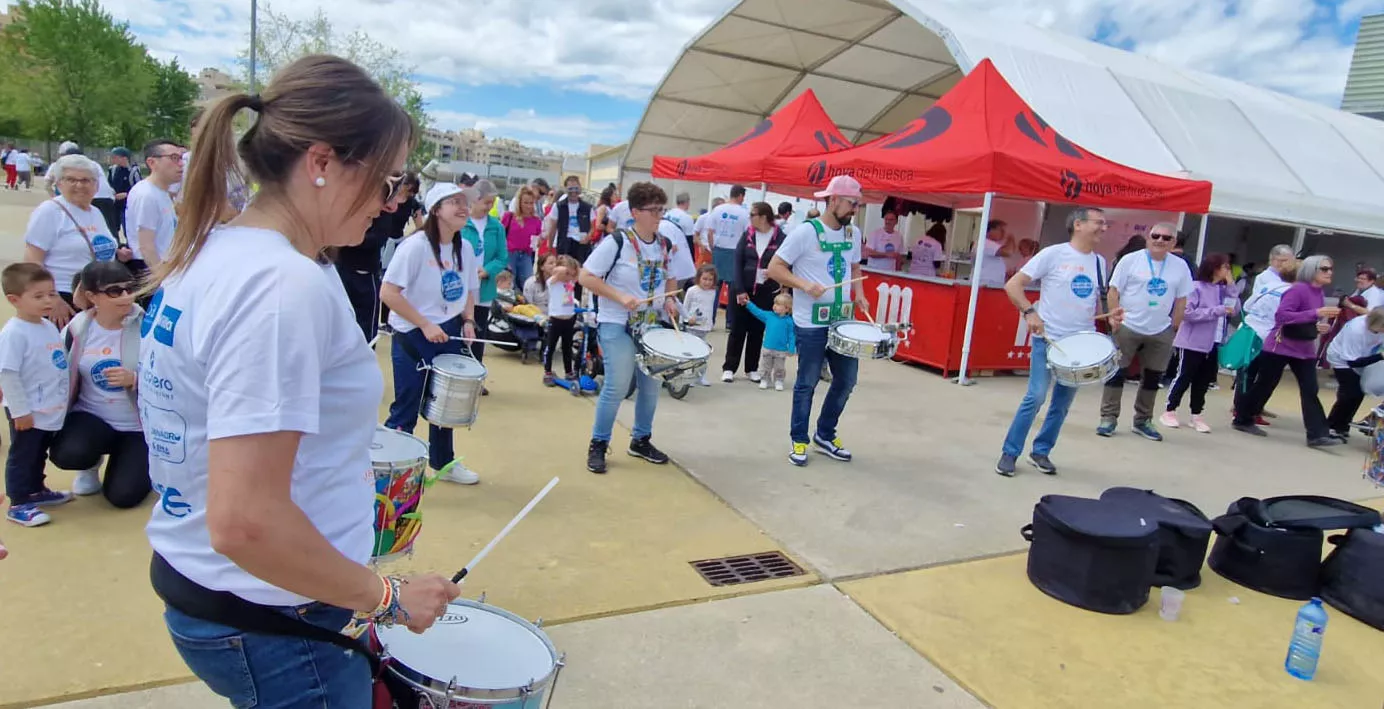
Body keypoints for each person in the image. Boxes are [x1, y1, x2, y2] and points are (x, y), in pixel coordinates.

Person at [137, 56, 458, 706]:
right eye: (387, 179)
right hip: (273, 618)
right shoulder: (280, 286)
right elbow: (245, 520)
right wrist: (388, 597)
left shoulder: (215, 250)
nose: (391, 203)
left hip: (227, 595)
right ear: (321, 161)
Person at [995, 207, 1122, 477]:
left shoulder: (1100, 262)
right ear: (1078, 224)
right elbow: (1013, 285)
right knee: (1036, 395)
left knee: (1061, 404)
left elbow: (1088, 305)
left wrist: (1109, 317)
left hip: (1080, 345)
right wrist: (1030, 311)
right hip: (1049, 338)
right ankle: (1010, 452)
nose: (1103, 228)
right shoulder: (1053, 254)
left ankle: (1041, 451)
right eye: (1099, 223)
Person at [578, 181, 694, 474]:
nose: (659, 215)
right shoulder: (617, 241)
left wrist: (669, 299)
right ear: (635, 212)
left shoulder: (665, 244)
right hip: (616, 321)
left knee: (651, 387)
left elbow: (671, 277)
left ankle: (641, 439)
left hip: (651, 323)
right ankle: (599, 444)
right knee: (617, 385)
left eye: (661, 209)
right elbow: (586, 276)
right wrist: (620, 297)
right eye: (653, 210)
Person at [765, 175, 869, 467]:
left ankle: (825, 433)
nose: (854, 210)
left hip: (842, 321)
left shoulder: (852, 233)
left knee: (847, 380)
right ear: (833, 200)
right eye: (851, 203)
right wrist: (803, 285)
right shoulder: (805, 232)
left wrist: (859, 293)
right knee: (807, 382)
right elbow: (774, 268)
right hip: (810, 323)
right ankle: (799, 438)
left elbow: (855, 265)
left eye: (857, 204)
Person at [382, 183, 482, 484]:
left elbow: (468, 290)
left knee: (446, 405)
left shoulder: (464, 247)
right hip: (413, 333)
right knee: (407, 406)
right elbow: (389, 293)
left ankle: (444, 464)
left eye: (465, 202)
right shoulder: (414, 247)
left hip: (449, 330)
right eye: (455, 202)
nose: (463, 207)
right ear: (436, 209)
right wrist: (424, 323)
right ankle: (392, 473)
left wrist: (468, 321)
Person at [49, 261, 150, 507]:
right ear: (92, 296)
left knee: (123, 497)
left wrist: (136, 380)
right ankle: (89, 465)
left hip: (137, 427)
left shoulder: (148, 325)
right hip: (91, 417)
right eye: (115, 291)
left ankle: (128, 459)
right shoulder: (78, 328)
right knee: (69, 453)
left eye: (129, 288)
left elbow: (174, 375)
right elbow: (55, 371)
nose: (126, 296)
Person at [1231, 255, 1341, 447]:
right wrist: (1316, 314)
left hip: (1304, 348)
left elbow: (1305, 319)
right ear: (1311, 270)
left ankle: (1317, 434)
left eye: (1330, 268)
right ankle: (1242, 417)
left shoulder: (1319, 292)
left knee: (1310, 389)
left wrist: (1317, 326)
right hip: (1280, 345)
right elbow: (1282, 315)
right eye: (1324, 269)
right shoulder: (1297, 289)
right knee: (1265, 384)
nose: (1329, 272)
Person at [1098, 222, 1193, 440]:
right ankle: (1108, 418)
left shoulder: (1180, 266)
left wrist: (1174, 327)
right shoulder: (1131, 260)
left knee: (1152, 377)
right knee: (1116, 373)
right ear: (1148, 237)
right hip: (1128, 326)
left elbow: (1182, 299)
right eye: (1155, 236)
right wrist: (1114, 316)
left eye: (1166, 238)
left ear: (1173, 243)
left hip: (1160, 330)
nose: (1160, 240)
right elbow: (1113, 290)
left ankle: (1143, 421)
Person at [0, 263, 73, 527]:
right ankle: (18, 502)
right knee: (23, 455)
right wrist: (20, 411)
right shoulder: (13, 334)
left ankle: (36, 489)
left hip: (48, 408)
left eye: (52, 294)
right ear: (14, 300)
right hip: (27, 410)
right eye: (38, 296)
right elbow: (7, 374)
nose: (48, 301)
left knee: (39, 452)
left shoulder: (47, 326)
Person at [23, 154, 122, 328]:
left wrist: (119, 253)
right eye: (71, 180)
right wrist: (53, 300)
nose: (79, 185)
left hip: (94, 296)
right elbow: (32, 262)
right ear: (59, 183)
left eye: (86, 180)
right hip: (64, 299)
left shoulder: (95, 212)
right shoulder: (49, 212)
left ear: (96, 185)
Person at [335, 172, 420, 344]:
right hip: (343, 268)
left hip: (368, 269)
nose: (394, 205)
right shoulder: (353, 206)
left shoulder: (392, 211)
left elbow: (377, 238)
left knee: (367, 324)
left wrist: (347, 238)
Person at [1162, 254, 1238, 433]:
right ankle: (1170, 410)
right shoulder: (1195, 288)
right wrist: (1216, 310)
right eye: (1224, 266)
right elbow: (1187, 314)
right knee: (1184, 376)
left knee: (1203, 380)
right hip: (1191, 341)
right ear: (1214, 268)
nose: (1227, 270)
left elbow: (1234, 309)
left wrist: (1231, 287)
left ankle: (1196, 413)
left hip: (1213, 341)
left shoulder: (1221, 290)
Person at [722, 202, 787, 383]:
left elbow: (785, 261)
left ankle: (751, 368)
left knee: (757, 330)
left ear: (764, 217)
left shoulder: (780, 237)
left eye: (753, 214)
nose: (750, 217)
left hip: (766, 290)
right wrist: (739, 289)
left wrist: (774, 273)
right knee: (737, 329)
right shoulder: (748, 235)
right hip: (744, 287)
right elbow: (737, 262)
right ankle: (729, 367)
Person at [461, 180, 508, 379]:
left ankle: (476, 375)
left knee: (479, 333)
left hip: (484, 287)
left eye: (492, 202)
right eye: (487, 202)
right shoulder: (463, 222)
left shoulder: (496, 226)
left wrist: (487, 270)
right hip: (462, 286)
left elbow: (501, 257)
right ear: (475, 199)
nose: (490, 207)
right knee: (460, 329)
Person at [125, 139, 185, 277]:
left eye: (181, 158)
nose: (181, 164)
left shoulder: (163, 192)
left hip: (167, 267)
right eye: (174, 158)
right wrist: (162, 279)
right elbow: (146, 245)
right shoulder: (146, 194)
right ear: (152, 162)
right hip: (151, 271)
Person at [1325, 307, 1384, 441]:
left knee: (1358, 393)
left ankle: (1343, 425)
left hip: (1364, 357)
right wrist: (1380, 356)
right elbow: (1352, 362)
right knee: (1350, 392)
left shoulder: (1377, 327)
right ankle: (1331, 425)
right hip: (1342, 359)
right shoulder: (1356, 330)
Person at [706, 186, 752, 328]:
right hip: (735, 251)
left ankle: (710, 320)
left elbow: (710, 232)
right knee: (733, 289)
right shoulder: (744, 213)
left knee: (713, 287)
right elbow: (748, 235)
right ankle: (730, 322)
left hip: (719, 250)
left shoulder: (718, 209)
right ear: (740, 196)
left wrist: (713, 247)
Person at [545, 176, 595, 289]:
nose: (573, 192)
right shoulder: (558, 206)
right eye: (570, 189)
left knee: (578, 274)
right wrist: (549, 247)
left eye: (576, 188)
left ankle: (575, 299)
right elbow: (552, 228)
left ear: (580, 189)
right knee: (562, 272)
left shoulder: (587, 207)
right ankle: (560, 295)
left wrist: (588, 237)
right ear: (566, 189)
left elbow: (593, 227)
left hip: (581, 245)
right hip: (564, 243)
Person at [745, 292, 796, 391]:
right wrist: (749, 304)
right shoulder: (769, 315)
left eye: (778, 304)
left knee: (779, 367)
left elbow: (792, 336)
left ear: (786, 308)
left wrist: (791, 348)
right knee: (765, 365)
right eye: (774, 303)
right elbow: (758, 312)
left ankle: (779, 380)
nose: (774, 306)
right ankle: (764, 379)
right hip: (767, 347)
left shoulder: (789, 321)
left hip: (781, 350)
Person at [542, 256, 580, 386]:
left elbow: (580, 272)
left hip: (569, 318)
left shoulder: (570, 282)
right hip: (556, 318)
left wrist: (572, 271)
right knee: (551, 346)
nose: (570, 276)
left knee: (567, 347)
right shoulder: (553, 281)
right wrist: (565, 268)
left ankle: (568, 371)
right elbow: (557, 270)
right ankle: (547, 371)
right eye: (567, 273)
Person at [682, 264, 719, 387]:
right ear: (698, 278)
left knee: (703, 353)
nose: (707, 282)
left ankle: (700, 376)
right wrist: (686, 320)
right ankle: (688, 376)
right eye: (704, 279)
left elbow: (710, 309)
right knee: (691, 353)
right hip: (692, 327)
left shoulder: (713, 292)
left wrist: (711, 323)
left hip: (704, 327)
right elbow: (685, 307)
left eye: (710, 280)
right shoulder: (692, 291)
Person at [503, 185, 544, 289]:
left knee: (528, 283)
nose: (529, 206)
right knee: (509, 283)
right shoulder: (509, 216)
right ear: (519, 202)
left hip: (526, 255)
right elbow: (501, 235)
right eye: (526, 203)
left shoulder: (536, 220)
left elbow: (538, 238)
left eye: (531, 203)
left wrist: (539, 241)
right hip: (510, 254)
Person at [106, 147, 140, 238]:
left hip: (126, 206)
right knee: (113, 230)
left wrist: (126, 194)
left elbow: (139, 189)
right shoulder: (112, 170)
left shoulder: (133, 171)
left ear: (124, 158)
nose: (112, 159)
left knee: (128, 231)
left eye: (115, 157)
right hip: (114, 205)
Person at [976, 220, 1013, 287]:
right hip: (986, 283)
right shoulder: (986, 243)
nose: (1003, 233)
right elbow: (1008, 252)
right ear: (992, 230)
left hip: (990, 282)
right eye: (1001, 230)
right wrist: (1010, 239)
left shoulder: (991, 244)